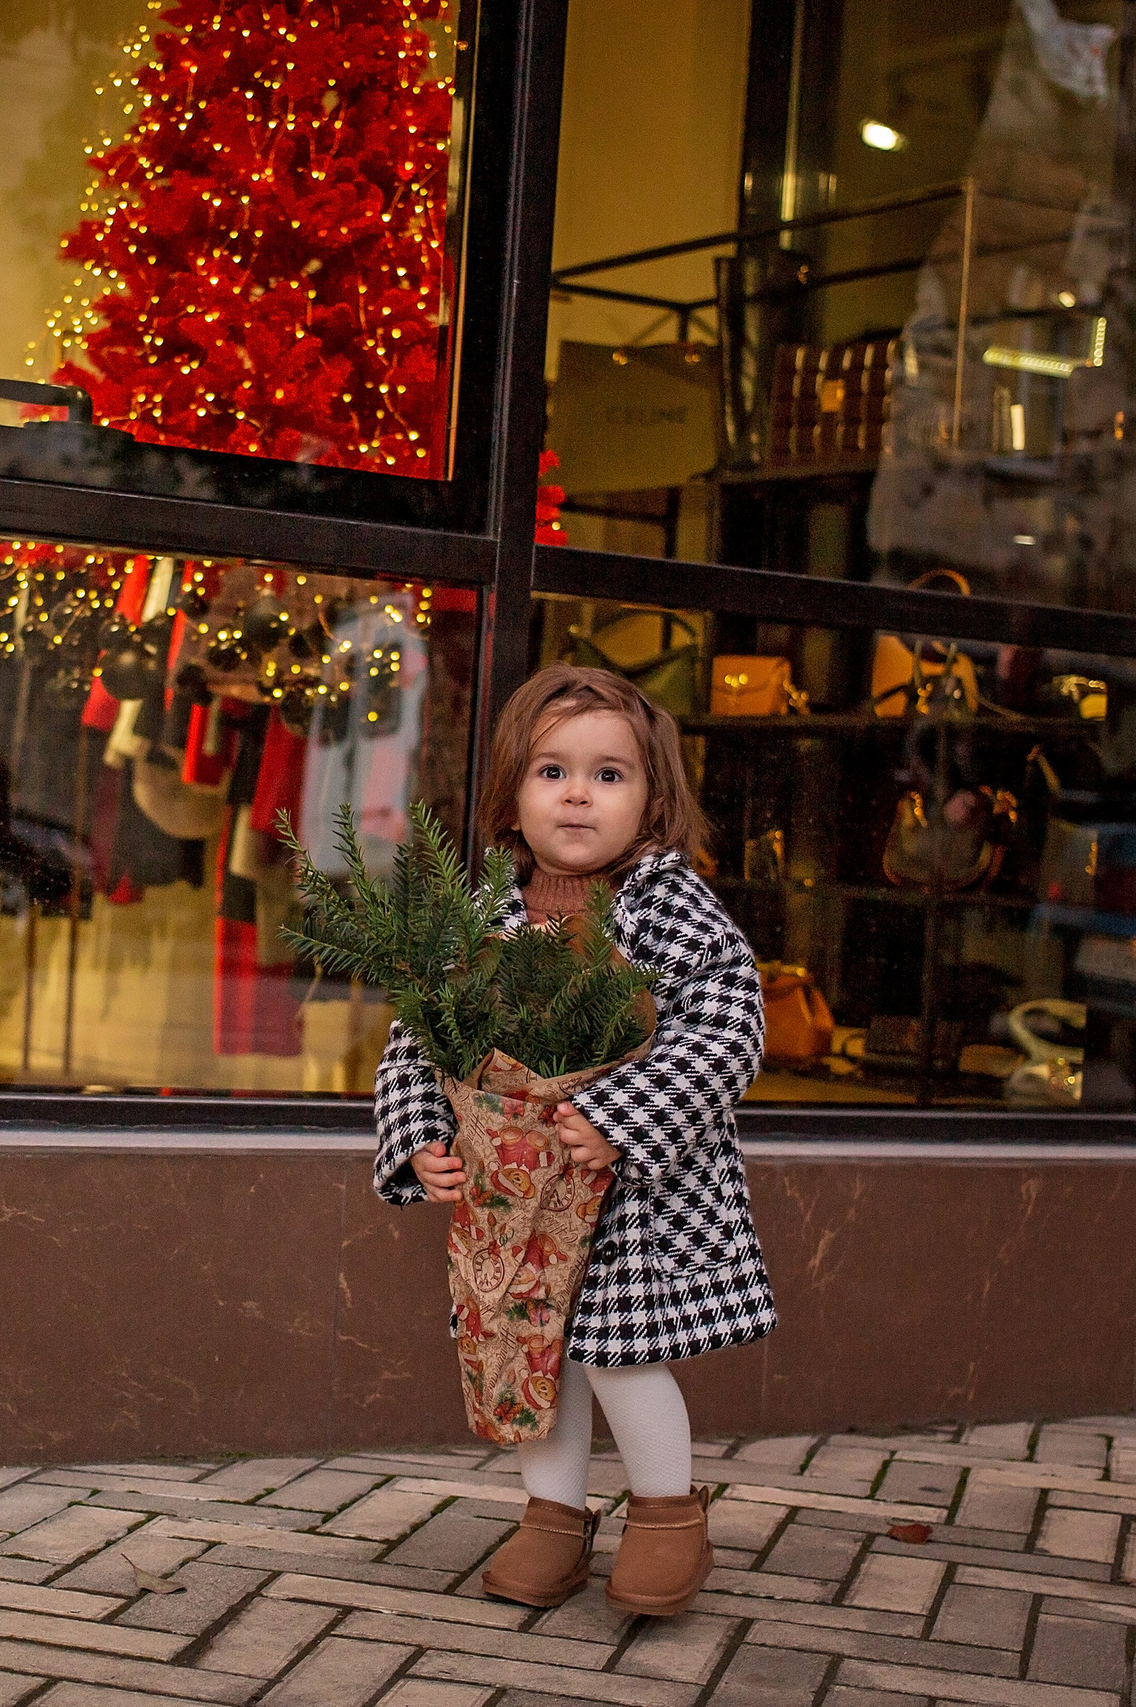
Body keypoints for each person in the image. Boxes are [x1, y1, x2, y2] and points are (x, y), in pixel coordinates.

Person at [372, 662, 776, 1618]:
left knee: (620, 1353)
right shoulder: (485, 914)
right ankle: (553, 1514)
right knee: (530, 1352)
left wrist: (621, 1117)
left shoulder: (669, 906)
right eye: (552, 771)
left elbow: (726, 1026)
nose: (578, 795)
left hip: (633, 1197)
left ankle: (668, 1512)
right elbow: (421, 1037)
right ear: (514, 796)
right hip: (517, 1199)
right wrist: (423, 1135)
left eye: (609, 774)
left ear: (653, 801)